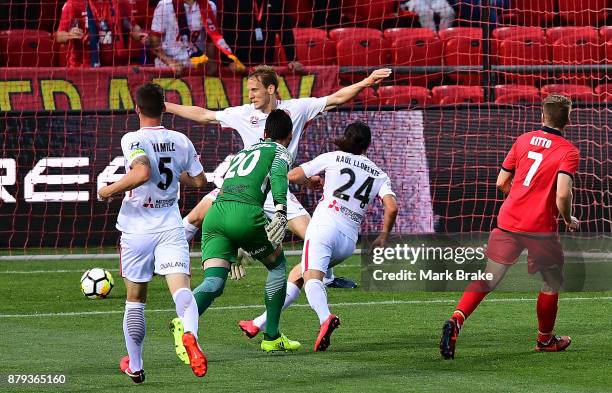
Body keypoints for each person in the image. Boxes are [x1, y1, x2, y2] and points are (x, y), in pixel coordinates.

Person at [165, 65, 392, 288]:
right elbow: (204, 115)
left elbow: (336, 98)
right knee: (195, 217)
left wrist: (366, 81)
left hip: (276, 188)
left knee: (314, 235)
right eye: (249, 91)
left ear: (271, 89)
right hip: (242, 186)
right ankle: (168, 261)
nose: (250, 95)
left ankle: (327, 278)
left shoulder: (297, 109)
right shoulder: (243, 114)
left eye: (255, 90)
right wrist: (165, 106)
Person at [439, 94, 581, 360]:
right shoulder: (568, 151)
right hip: (540, 228)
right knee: (551, 282)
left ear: (542, 116)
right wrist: (567, 218)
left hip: (508, 220)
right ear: (569, 120)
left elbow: (501, 182)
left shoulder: (523, 140)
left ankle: (457, 319)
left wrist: (519, 199)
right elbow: (563, 194)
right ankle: (545, 340)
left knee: (489, 277)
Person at [239, 121, 398, 351]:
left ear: (346, 138)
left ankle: (325, 318)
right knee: (299, 274)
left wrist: (309, 179)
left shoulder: (333, 157)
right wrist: (383, 236)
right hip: (347, 242)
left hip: (324, 227)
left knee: (312, 277)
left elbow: (292, 175)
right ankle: (257, 324)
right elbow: (392, 207)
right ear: (368, 145)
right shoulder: (379, 174)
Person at [98, 83, 208, 382]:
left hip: (137, 230)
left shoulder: (132, 138)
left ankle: (135, 365)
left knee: (135, 300)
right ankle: (190, 335)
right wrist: (170, 173)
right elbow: (199, 181)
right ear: (164, 108)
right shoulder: (181, 139)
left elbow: (142, 172)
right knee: (182, 290)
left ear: (137, 109)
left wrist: (107, 190)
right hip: (171, 225)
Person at [187, 109, 302, 355]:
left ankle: (185, 323)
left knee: (214, 282)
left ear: (264, 132)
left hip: (216, 214)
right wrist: (281, 211)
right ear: (290, 136)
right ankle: (271, 336)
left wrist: (238, 240)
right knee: (277, 266)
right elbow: (280, 177)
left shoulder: (243, 151)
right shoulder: (281, 151)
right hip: (245, 214)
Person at [150, 0, 245, 76]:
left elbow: (210, 39)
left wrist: (210, 60)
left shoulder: (210, 6)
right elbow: (154, 43)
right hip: (168, 70)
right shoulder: (164, 5)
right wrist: (170, 62)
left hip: (197, 69)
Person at [55, 0, 148, 67]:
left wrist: (140, 35)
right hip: (83, 66)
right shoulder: (73, 4)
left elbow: (132, 26)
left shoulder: (121, 3)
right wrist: (69, 35)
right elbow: (59, 36)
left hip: (115, 66)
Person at [219, 0, 302, 70]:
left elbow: (285, 31)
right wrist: (229, 62)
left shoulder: (276, 2)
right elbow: (225, 33)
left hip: (267, 65)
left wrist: (293, 59)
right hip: (239, 68)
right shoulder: (232, 2)